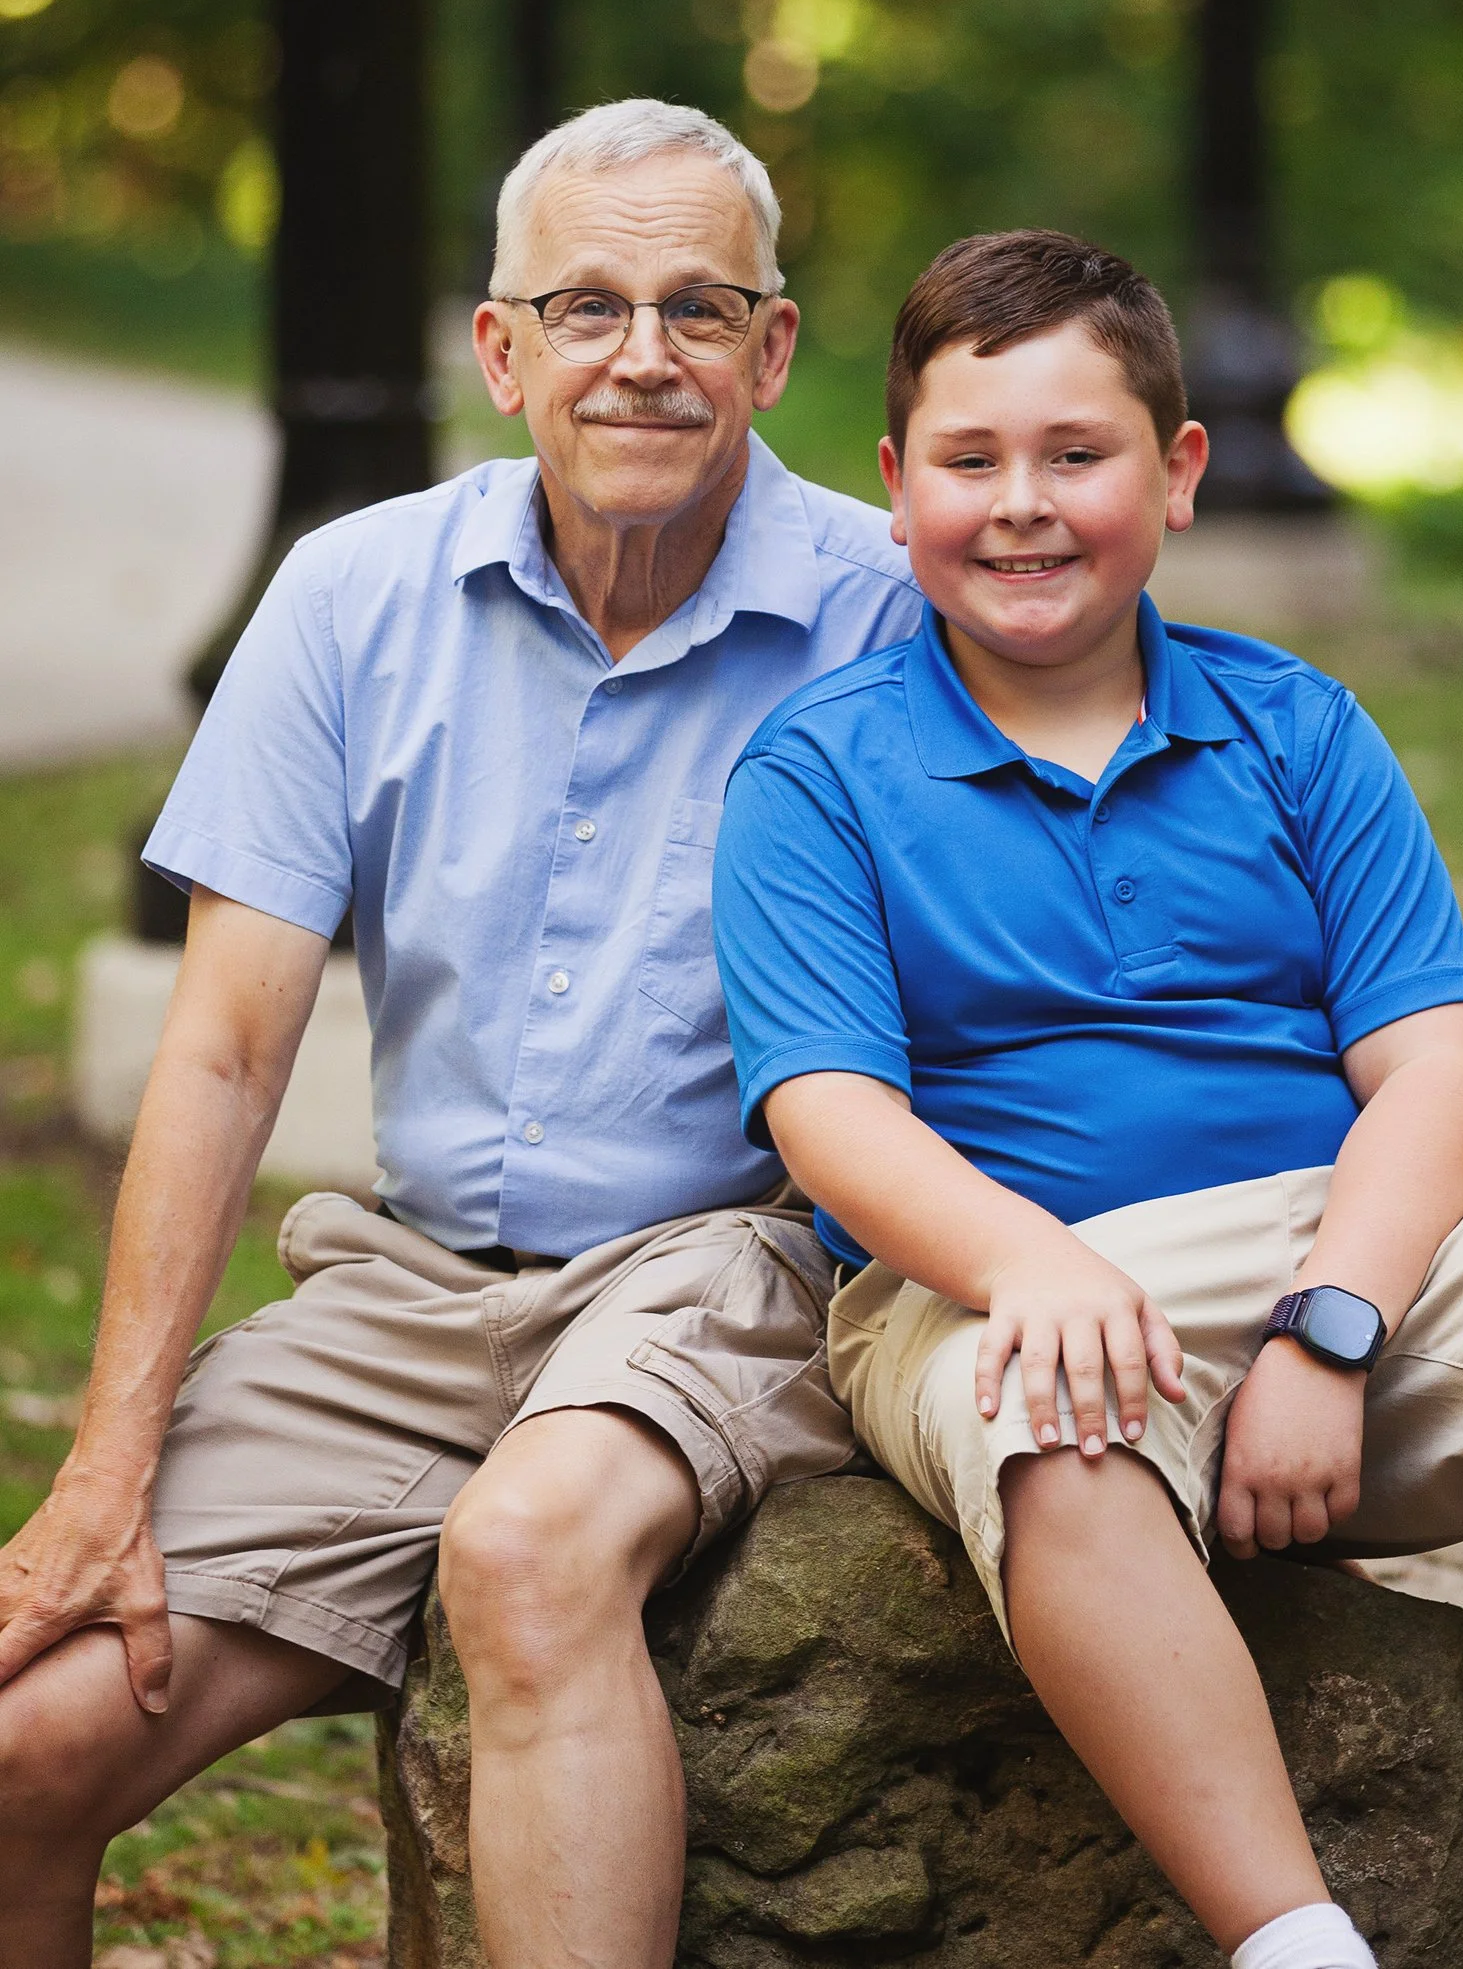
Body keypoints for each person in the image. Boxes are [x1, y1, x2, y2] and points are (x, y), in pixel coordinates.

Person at [0, 99, 922, 1969]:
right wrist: (107, 1464)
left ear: (776, 346)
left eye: (697, 306)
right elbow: (223, 1054)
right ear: (499, 352)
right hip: (409, 1293)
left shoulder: (893, 616)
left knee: (528, 1556)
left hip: (722, 1262)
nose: (643, 355)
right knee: (28, 1743)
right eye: (584, 306)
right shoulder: (353, 595)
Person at [712, 229, 1463, 1969]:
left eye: (1077, 455)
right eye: (969, 459)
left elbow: (1438, 1067)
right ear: (895, 486)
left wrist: (1336, 1323)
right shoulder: (819, 768)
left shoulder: (1293, 729)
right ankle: (1298, 1942)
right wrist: (1030, 1269)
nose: (1022, 504)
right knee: (1057, 1416)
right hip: (990, 1278)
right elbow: (832, 1111)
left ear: (1179, 473)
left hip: (1326, 1252)